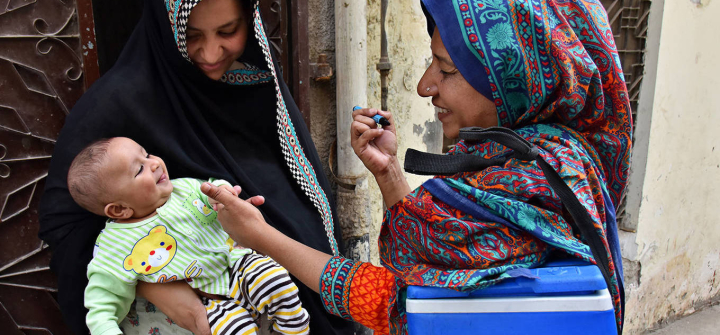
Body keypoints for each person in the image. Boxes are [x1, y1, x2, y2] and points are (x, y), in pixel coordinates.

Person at [198, 0, 633, 334]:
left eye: (446, 69)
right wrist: (388, 173)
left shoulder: (514, 191)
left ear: (513, 81)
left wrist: (259, 235)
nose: (426, 85)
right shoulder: (563, 154)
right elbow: (430, 250)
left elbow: (394, 302)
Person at [38, 0, 354, 334]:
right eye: (191, 35)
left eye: (228, 31)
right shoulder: (120, 102)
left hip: (285, 297)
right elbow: (65, 227)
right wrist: (156, 284)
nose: (211, 52)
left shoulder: (257, 84)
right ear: (169, 28)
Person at [67, 137, 309, 335]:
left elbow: (216, 187)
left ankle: (292, 329)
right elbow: (102, 304)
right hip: (207, 300)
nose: (154, 164)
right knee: (232, 329)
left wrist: (223, 194)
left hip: (238, 264)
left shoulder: (185, 188)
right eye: (139, 169)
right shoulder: (114, 245)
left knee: (275, 278)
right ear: (119, 209)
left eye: (147, 154)